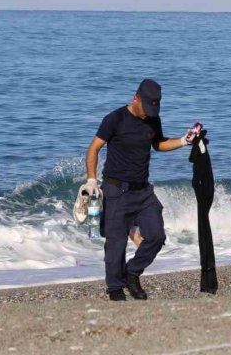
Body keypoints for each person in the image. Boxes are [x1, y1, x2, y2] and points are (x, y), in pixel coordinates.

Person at [85, 78, 198, 301]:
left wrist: (184, 141)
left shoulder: (152, 119)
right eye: (146, 108)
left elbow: (159, 144)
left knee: (156, 236)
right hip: (116, 189)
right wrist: (91, 180)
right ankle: (115, 288)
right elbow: (94, 148)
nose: (148, 113)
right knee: (115, 244)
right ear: (135, 98)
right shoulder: (114, 119)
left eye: (153, 109)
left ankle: (132, 273)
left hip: (143, 191)